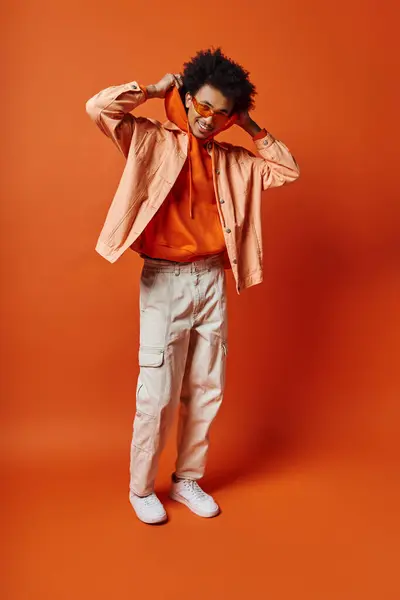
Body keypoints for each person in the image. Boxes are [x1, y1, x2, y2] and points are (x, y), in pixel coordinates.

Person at [86, 47, 300, 525]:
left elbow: (286, 170)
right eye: (202, 106)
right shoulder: (150, 140)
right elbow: (98, 109)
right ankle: (141, 488)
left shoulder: (233, 160)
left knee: (206, 387)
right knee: (157, 393)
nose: (208, 120)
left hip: (210, 283)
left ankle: (187, 479)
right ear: (186, 99)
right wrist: (152, 90)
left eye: (220, 114)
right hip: (164, 283)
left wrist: (250, 127)